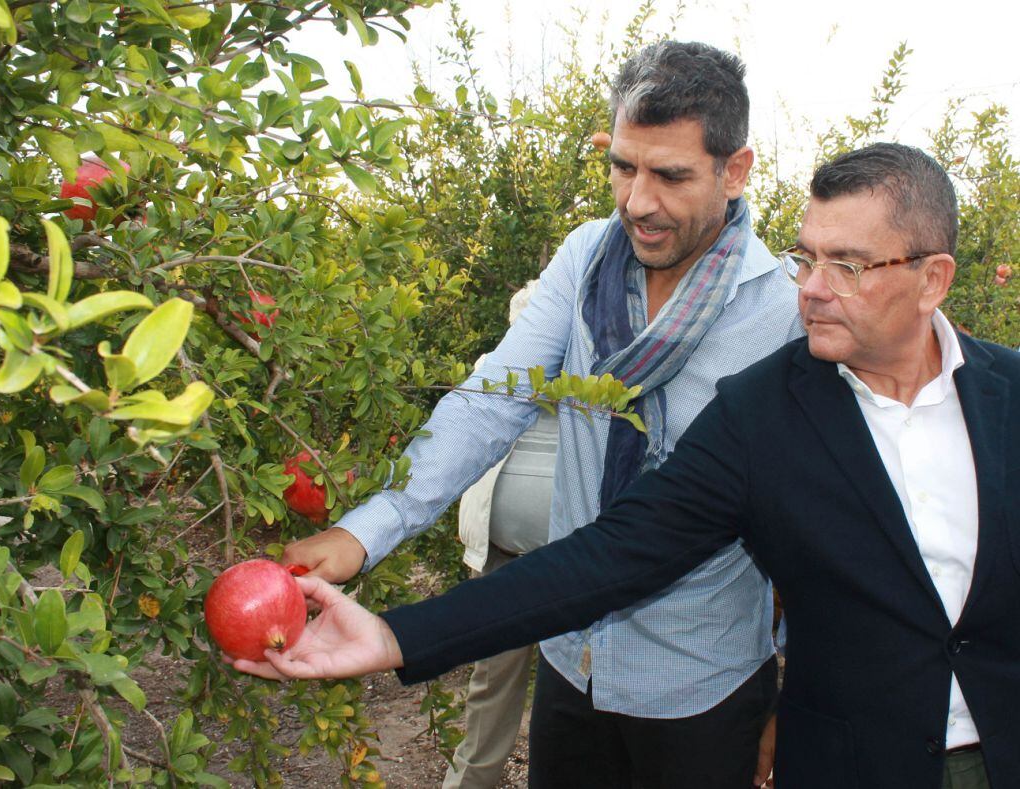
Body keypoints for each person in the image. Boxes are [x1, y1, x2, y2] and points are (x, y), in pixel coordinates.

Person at [238, 143, 1020, 789]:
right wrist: (394, 636)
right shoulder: (766, 415)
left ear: (933, 280)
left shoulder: (1009, 396)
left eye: (847, 265)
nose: (810, 290)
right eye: (807, 257)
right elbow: (605, 557)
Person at [282, 40, 803, 788]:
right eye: (624, 166)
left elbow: (811, 529)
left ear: (737, 169)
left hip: (701, 682)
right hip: (572, 657)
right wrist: (365, 531)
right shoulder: (589, 256)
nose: (637, 201)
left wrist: (799, 692)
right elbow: (493, 399)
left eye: (671, 175)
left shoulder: (782, 311)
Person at [447, 280, 555, 788]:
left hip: (574, 568)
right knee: (491, 688)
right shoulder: (493, 370)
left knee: (571, 697)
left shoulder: (598, 382)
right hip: (503, 560)